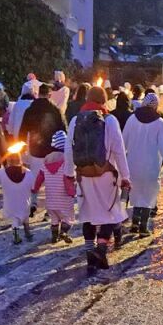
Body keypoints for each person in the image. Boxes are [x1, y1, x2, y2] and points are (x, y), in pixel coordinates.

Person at [63, 85, 131, 273]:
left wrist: (68, 174)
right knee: (109, 213)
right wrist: (125, 176)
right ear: (103, 101)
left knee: (88, 214)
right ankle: (101, 249)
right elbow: (118, 149)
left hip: (84, 175)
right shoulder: (109, 120)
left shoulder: (76, 120)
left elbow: (68, 149)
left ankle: (89, 254)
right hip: (106, 174)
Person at [123, 92, 163, 237]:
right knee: (149, 194)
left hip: (133, 163)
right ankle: (143, 225)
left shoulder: (132, 119)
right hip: (151, 164)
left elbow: (123, 141)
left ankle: (135, 223)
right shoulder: (160, 123)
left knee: (136, 192)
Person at [0, 152, 41, 244]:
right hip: (24, 202)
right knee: (25, 216)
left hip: (10, 203)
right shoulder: (28, 173)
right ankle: (27, 232)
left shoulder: (2, 172)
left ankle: (16, 234)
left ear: (8, 160)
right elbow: (34, 188)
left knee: (15, 219)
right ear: (20, 160)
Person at [42, 130, 75, 244]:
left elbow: (40, 177)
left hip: (50, 198)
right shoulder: (67, 159)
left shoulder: (46, 159)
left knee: (54, 219)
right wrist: (72, 192)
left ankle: (54, 236)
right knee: (68, 217)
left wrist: (35, 189)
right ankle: (64, 232)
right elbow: (68, 178)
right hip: (64, 197)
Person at [21, 82, 67, 161]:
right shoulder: (56, 111)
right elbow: (63, 130)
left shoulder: (30, 110)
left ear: (38, 94)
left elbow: (23, 131)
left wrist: (22, 148)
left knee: (36, 172)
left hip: (35, 150)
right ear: (49, 95)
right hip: (52, 150)